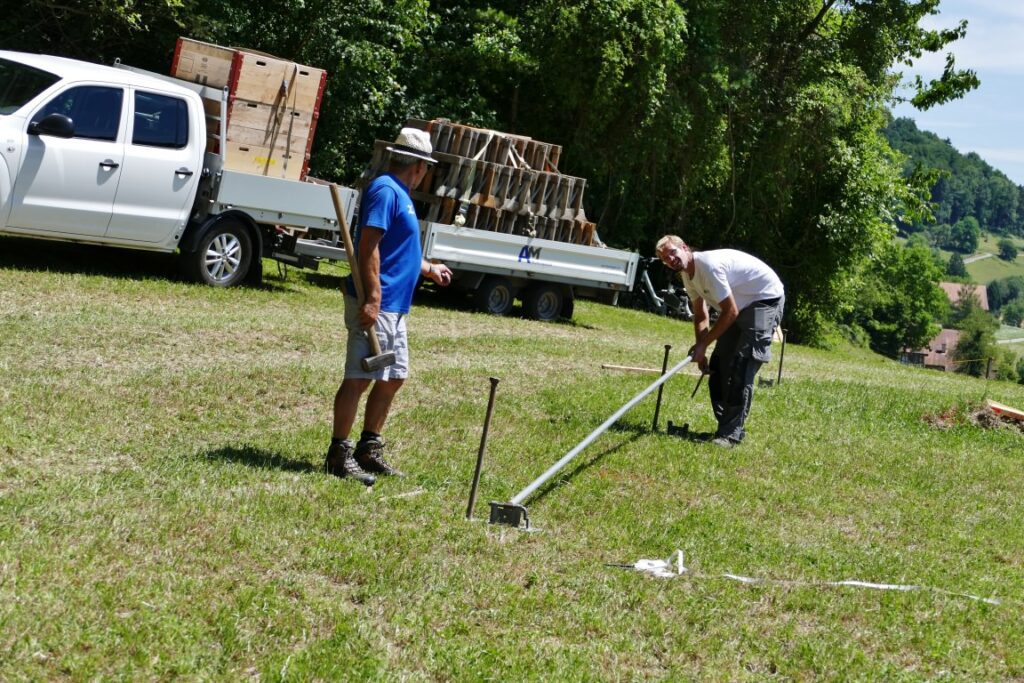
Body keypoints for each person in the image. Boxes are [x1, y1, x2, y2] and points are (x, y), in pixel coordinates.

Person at [326, 127, 453, 485]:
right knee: (359, 378)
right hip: (378, 304)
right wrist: (372, 298)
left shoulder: (401, 194)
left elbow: (399, 248)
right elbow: (368, 246)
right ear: (419, 166)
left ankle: (369, 449)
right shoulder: (385, 190)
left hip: (395, 307)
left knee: (394, 377)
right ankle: (338, 454)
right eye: (427, 168)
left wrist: (428, 268)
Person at [655, 235, 784, 448]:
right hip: (738, 307)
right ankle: (727, 426)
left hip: (765, 300)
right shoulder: (688, 275)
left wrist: (703, 344)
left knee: (742, 364)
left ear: (684, 247)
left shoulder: (708, 266)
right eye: (665, 259)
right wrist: (701, 349)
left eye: (672, 252)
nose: (670, 260)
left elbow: (730, 312)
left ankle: (730, 434)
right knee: (719, 366)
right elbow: (700, 315)